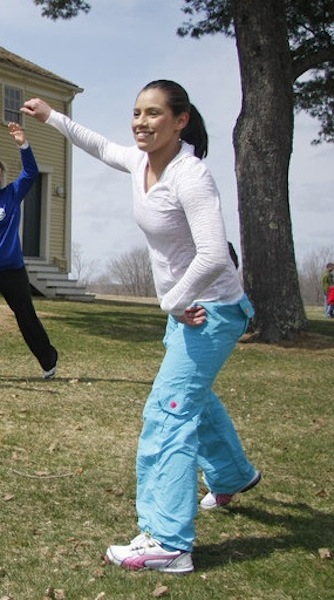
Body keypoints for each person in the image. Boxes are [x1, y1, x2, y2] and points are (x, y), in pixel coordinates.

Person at [22, 81, 261, 574]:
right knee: (194, 397)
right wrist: (51, 117)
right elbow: (101, 146)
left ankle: (169, 541)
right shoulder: (139, 162)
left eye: (154, 114)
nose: (141, 122)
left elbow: (216, 256)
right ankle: (233, 476)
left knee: (168, 413)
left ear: (181, 121)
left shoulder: (190, 176)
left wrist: (171, 301)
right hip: (187, 309)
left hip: (208, 310)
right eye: (136, 113)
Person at [0, 122, 58, 379]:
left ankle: (49, 361)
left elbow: (31, 172)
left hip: (12, 271)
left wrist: (23, 144)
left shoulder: (12, 193)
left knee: (26, 316)